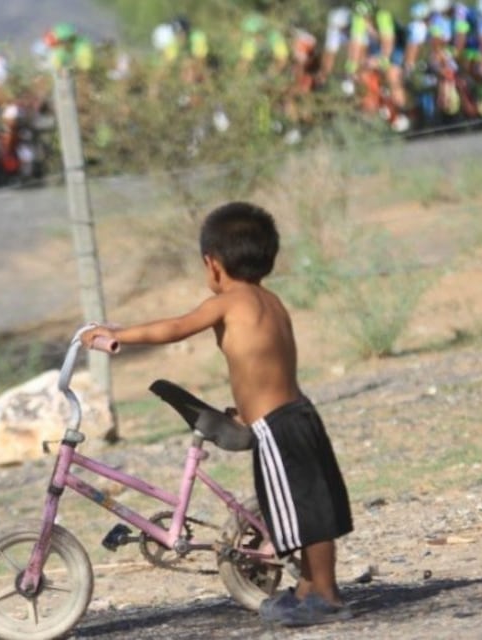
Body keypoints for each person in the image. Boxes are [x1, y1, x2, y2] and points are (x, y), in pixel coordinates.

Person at [81, 202, 354, 628]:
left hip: (277, 426)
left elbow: (174, 328)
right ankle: (311, 588)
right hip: (299, 415)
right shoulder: (271, 301)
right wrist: (245, 411)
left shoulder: (228, 302)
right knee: (312, 509)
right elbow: (267, 368)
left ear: (213, 263)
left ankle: (326, 595)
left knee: (302, 516)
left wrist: (118, 335)